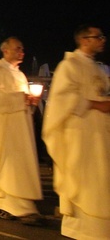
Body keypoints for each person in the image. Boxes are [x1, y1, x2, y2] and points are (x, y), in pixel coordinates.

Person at [43, 25, 110, 239]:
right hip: (80, 137)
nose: (102, 40)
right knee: (84, 182)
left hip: (100, 134)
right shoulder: (68, 66)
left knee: (101, 183)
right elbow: (62, 100)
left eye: (102, 36)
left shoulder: (98, 68)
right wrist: (96, 104)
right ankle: (81, 230)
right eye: (97, 36)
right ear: (84, 40)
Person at [0, 37, 43, 225]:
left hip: (21, 131)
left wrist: (31, 103)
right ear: (5, 51)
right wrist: (22, 98)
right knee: (9, 167)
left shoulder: (20, 75)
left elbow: (23, 103)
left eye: (22, 48)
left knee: (19, 167)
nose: (22, 52)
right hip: (3, 131)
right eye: (17, 48)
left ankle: (14, 206)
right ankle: (11, 206)